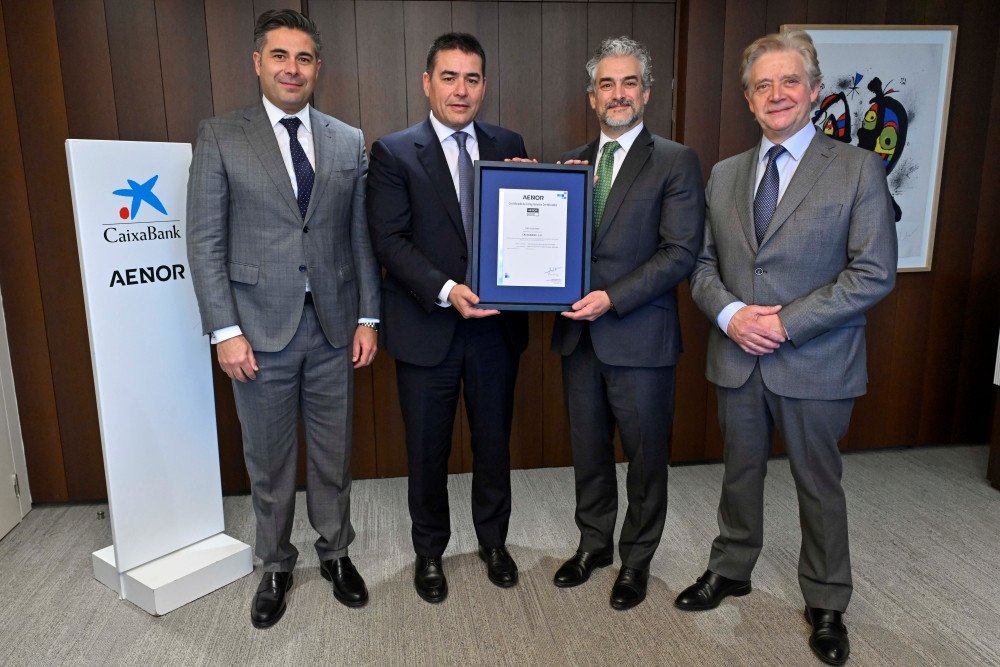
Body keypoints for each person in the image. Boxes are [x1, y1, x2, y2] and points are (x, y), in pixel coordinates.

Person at [675, 29, 897, 666]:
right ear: (748, 99)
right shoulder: (724, 175)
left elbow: (872, 273)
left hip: (816, 359)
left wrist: (786, 323)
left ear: (815, 91)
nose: (777, 95)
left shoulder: (857, 168)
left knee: (818, 484)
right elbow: (702, 265)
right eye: (763, 85)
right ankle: (731, 566)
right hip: (737, 355)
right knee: (739, 472)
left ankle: (826, 599)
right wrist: (731, 316)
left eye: (789, 82)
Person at [186, 9, 380, 629]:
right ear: (257, 62)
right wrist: (225, 331)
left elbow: (360, 238)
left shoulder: (347, 139)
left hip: (333, 327)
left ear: (317, 67)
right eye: (279, 56)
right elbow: (205, 242)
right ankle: (274, 563)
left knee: (333, 454)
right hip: (256, 332)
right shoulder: (221, 135)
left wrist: (369, 317)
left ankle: (336, 553)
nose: (291, 69)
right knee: (268, 461)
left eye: (303, 58)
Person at [366, 33, 529, 604]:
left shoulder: (509, 143)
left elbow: (526, 222)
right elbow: (390, 240)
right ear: (427, 82)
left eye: (472, 78)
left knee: (494, 444)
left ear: (484, 85)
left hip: (495, 330)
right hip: (427, 327)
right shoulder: (393, 152)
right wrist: (447, 289)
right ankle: (429, 551)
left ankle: (494, 543)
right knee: (427, 450)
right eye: (449, 77)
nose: (461, 90)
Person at [550, 36, 704, 611]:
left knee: (644, 460)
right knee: (588, 453)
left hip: (640, 337)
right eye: (606, 85)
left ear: (647, 92)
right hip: (578, 337)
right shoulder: (569, 164)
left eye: (629, 83)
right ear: (592, 97)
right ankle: (594, 545)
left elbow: (679, 252)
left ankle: (636, 560)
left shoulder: (675, 160)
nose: (618, 94)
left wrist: (611, 298)